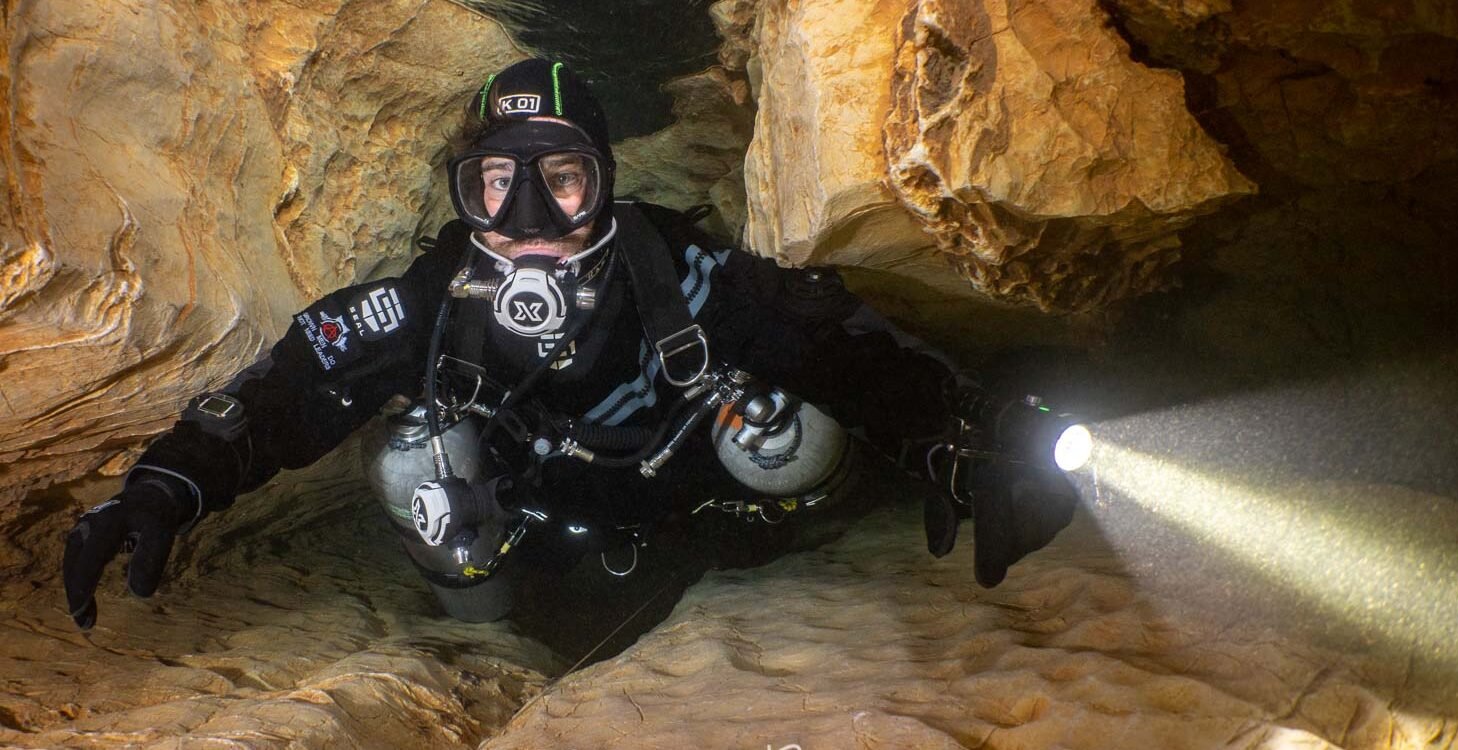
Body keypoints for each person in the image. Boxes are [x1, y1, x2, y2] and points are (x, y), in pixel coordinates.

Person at [62, 59, 1072, 629]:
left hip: (696, 486)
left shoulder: (679, 271)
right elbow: (290, 386)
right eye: (498, 183)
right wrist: (165, 483)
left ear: (607, 186)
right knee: (411, 456)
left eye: (565, 179)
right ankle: (499, 632)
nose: (531, 213)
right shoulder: (438, 295)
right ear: (467, 194)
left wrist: (955, 433)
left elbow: (844, 351)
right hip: (542, 520)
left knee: (790, 430)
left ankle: (811, 525)